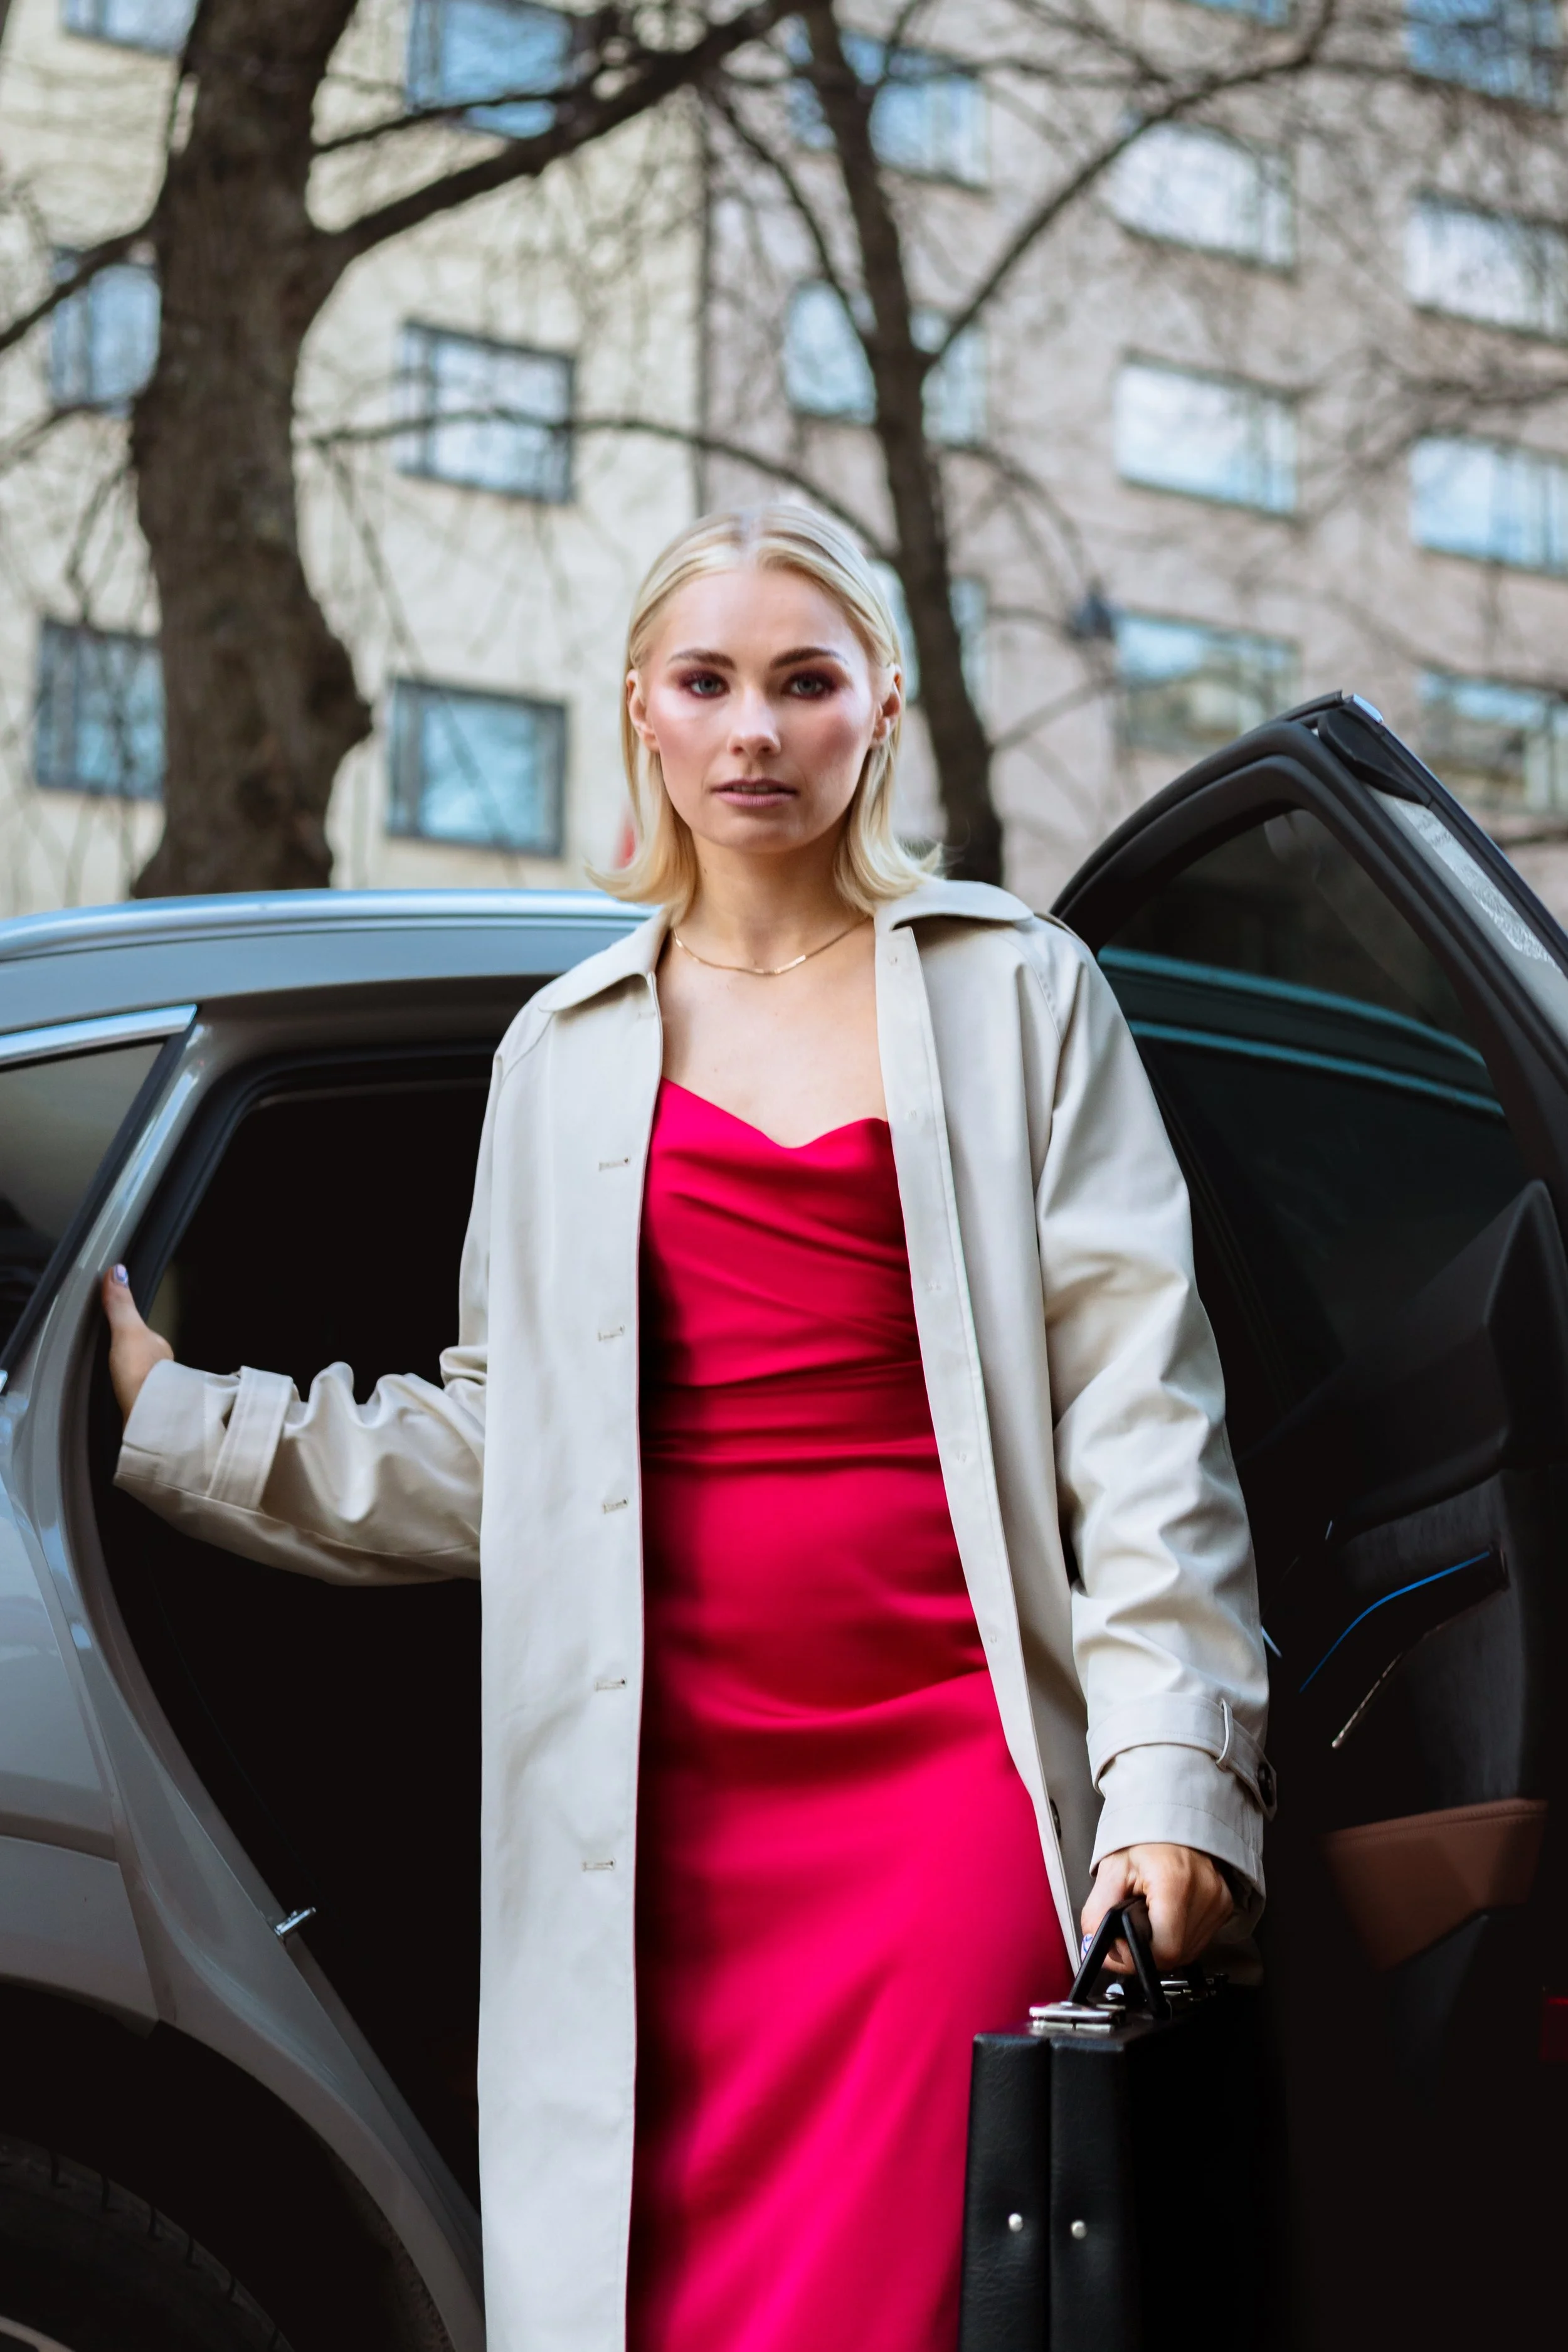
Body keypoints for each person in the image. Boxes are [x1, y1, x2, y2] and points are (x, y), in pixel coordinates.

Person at [102, 504, 1269, 2352]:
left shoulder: (1015, 986)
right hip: (658, 1811)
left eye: (802, 683)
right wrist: (183, 1418)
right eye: (707, 682)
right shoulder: (558, 1048)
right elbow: (499, 1443)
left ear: (875, 706)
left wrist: (1169, 1784)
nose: (754, 731)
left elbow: (1142, 1422)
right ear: (639, 709)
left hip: (950, 1772)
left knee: (912, 2292)